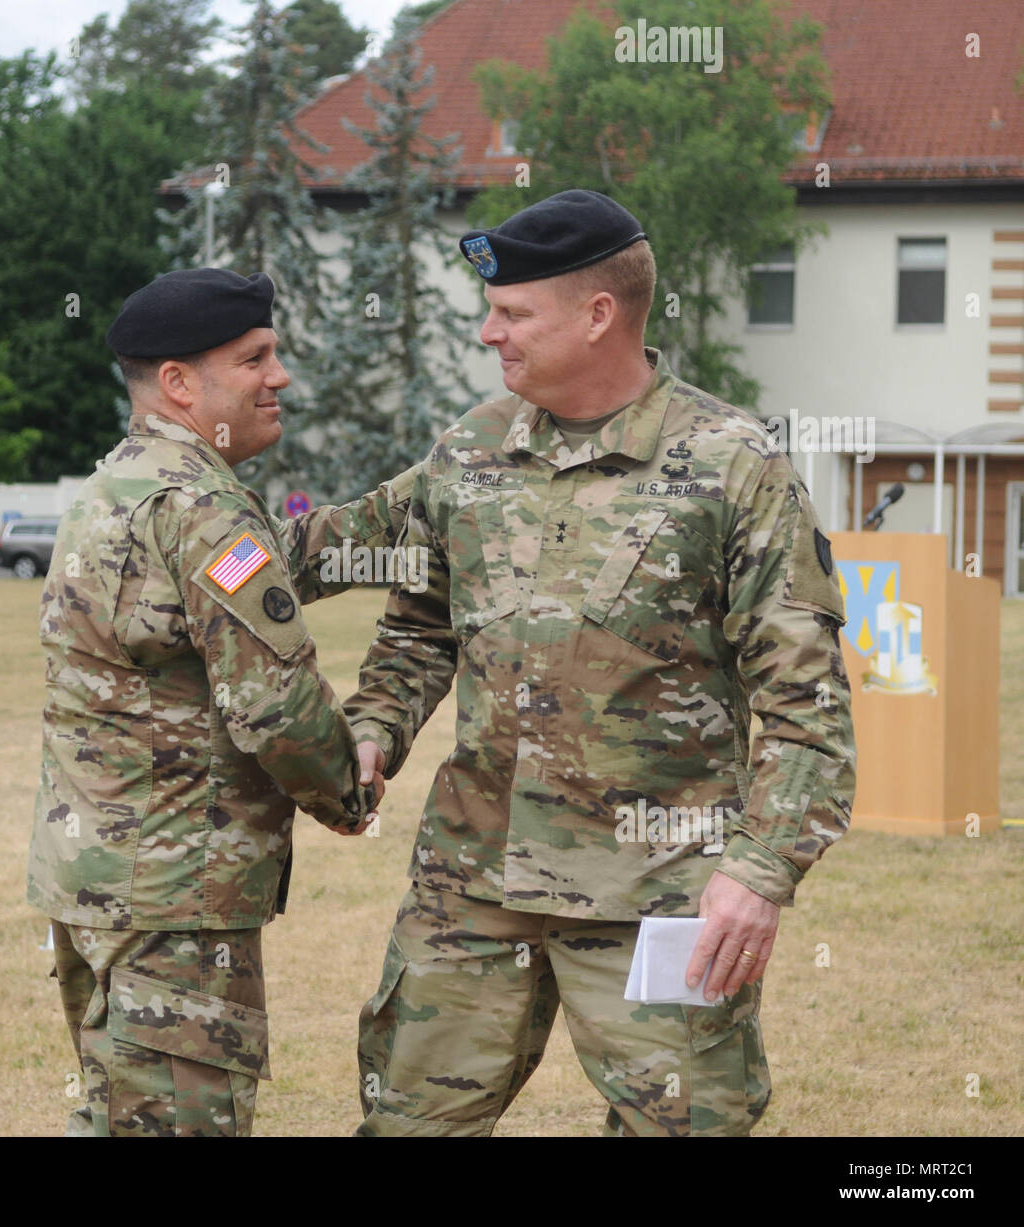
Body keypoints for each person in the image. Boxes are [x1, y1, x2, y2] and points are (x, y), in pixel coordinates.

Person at [345, 190, 856, 1137]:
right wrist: (377, 724)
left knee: (686, 1128)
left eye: (511, 313)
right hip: (473, 877)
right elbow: (421, 622)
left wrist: (761, 867)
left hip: (658, 885)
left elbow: (806, 702)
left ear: (598, 315)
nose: (487, 332)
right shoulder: (472, 448)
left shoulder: (733, 464)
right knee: (407, 1121)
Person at [27, 267, 417, 1137]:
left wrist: (407, 506)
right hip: (175, 900)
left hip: (99, 884)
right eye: (255, 358)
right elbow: (274, 703)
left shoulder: (123, 484)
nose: (279, 376)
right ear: (179, 382)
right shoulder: (203, 507)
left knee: (118, 1117)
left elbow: (269, 565)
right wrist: (347, 793)